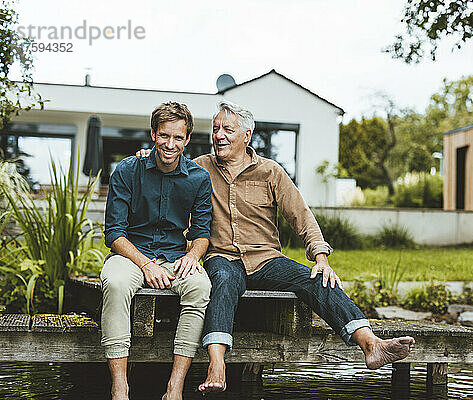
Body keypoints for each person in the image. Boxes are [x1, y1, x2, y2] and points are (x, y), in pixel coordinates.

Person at [138, 100, 415, 393]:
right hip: (221, 256)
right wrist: (148, 157)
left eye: (228, 129)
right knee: (221, 280)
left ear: (247, 135)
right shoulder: (199, 168)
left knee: (317, 279)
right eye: (216, 129)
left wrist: (321, 257)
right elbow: (167, 167)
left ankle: (371, 344)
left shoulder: (271, 172)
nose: (219, 135)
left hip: (266, 258)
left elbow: (301, 215)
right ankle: (216, 363)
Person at [102, 102, 213, 400]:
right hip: (130, 254)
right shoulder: (127, 170)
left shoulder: (199, 179)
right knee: (115, 283)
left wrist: (192, 256)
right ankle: (120, 387)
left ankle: (174, 387)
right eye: (164, 136)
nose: (170, 144)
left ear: (187, 139)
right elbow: (114, 233)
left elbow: (202, 235)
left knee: (200, 287)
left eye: (178, 138)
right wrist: (146, 264)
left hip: (176, 257)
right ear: (153, 133)